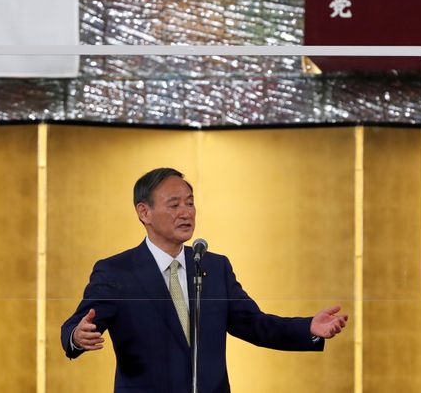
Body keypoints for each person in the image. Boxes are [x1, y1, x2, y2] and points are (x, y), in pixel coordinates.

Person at [60, 167, 348, 392]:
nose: (186, 212)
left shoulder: (214, 267)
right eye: (174, 205)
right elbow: (78, 324)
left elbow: (255, 324)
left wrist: (307, 327)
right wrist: (76, 336)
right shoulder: (116, 271)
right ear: (143, 212)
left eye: (190, 203)